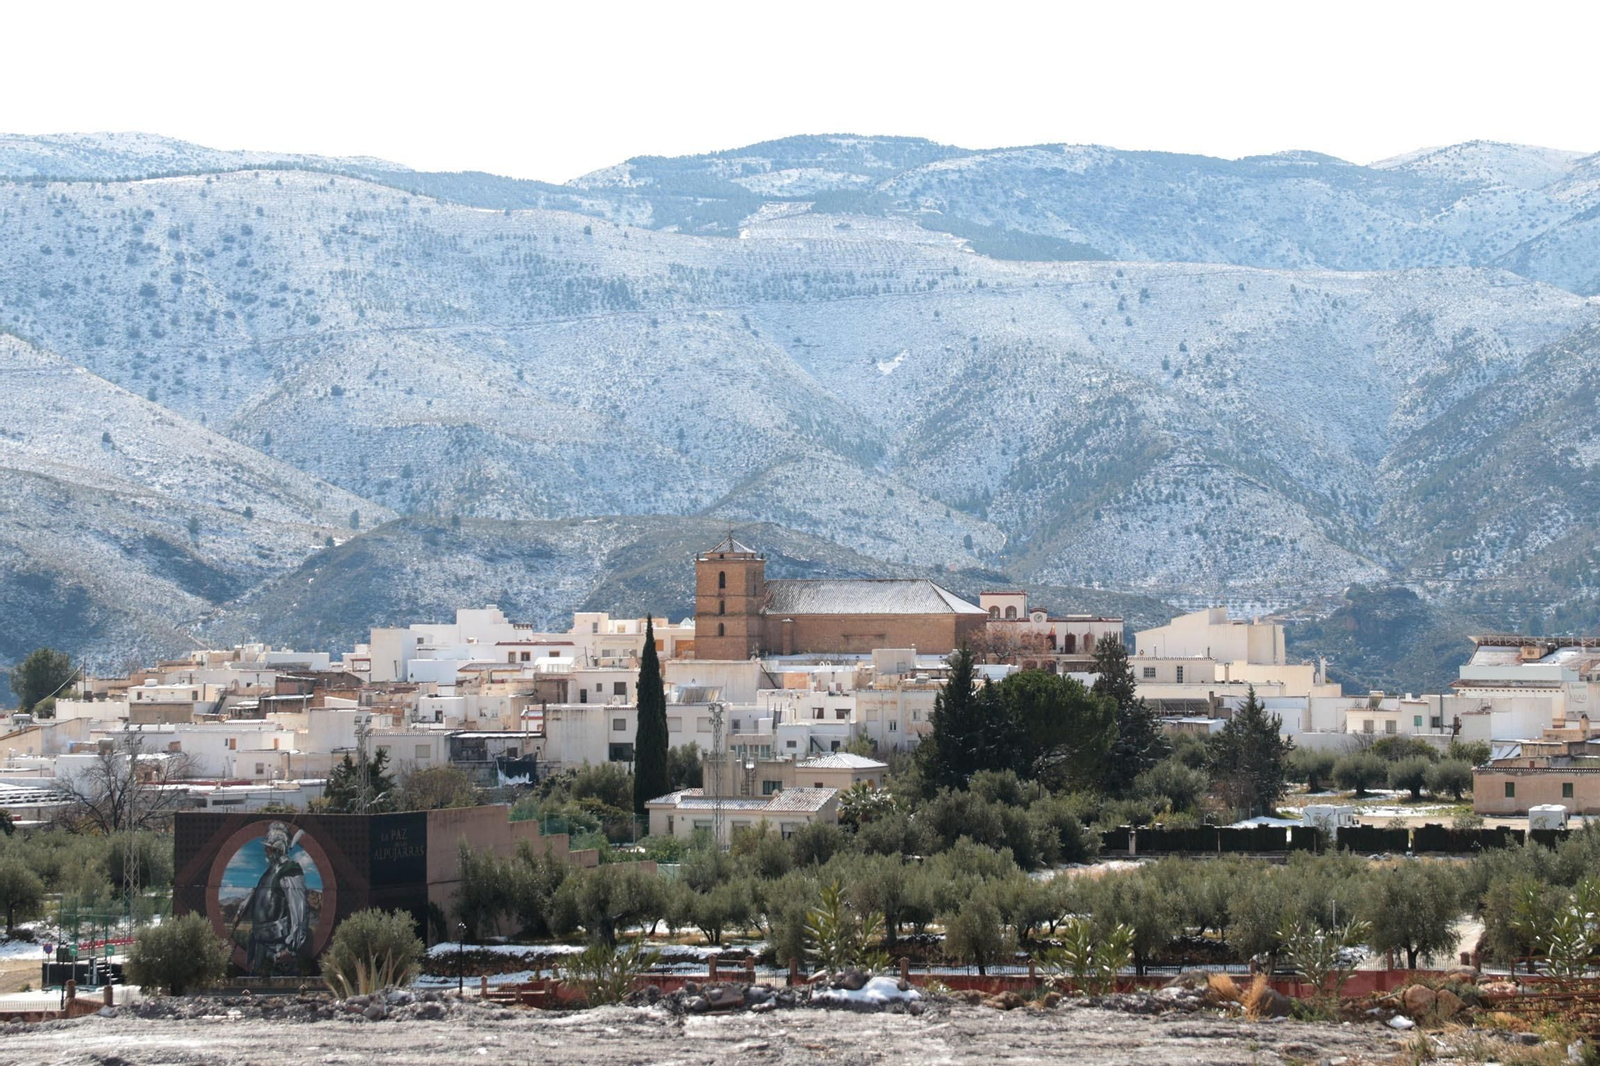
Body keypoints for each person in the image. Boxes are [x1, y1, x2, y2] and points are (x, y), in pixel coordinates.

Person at [231, 822, 310, 973]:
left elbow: (299, 911)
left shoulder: (289, 871)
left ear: (277, 849)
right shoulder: (270, 872)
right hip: (261, 944)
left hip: (279, 947)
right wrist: (241, 911)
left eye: (268, 847)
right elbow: (259, 896)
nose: (265, 851)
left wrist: (291, 948)